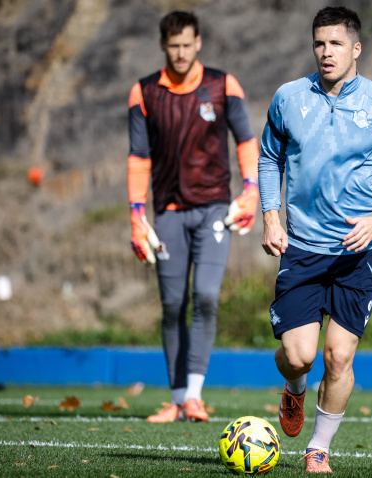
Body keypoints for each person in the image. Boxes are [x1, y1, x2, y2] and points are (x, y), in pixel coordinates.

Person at [258, 6, 372, 473]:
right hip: (303, 248)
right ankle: (293, 391)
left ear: (355, 49)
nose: (325, 52)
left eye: (335, 43)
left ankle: (318, 448)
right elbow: (269, 159)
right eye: (318, 43)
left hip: (359, 253)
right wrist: (272, 218)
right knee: (299, 357)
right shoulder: (289, 98)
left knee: (338, 355)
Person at [127, 11, 260, 423]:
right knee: (172, 305)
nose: (181, 53)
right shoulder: (144, 92)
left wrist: (252, 191)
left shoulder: (223, 85)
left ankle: (196, 397)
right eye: (174, 46)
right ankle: (178, 397)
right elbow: (138, 158)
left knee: (204, 297)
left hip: (215, 213)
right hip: (167, 213)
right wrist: (136, 214)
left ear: (198, 42)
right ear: (163, 46)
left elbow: (246, 141)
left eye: (187, 44)